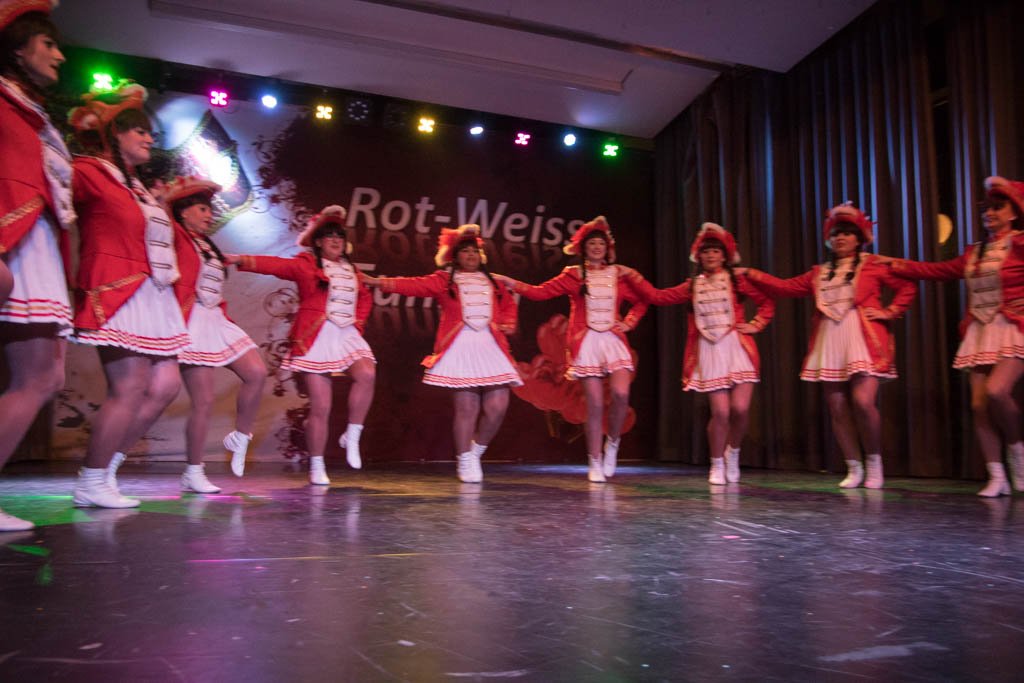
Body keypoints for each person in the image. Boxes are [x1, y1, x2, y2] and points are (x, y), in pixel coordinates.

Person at [68, 81, 190, 508]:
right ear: (114, 133)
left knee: (166, 385)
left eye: (150, 132)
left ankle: (106, 468)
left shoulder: (134, 186)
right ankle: (91, 479)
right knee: (129, 387)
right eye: (139, 130)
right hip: (119, 289)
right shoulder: (89, 171)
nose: (149, 139)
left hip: (153, 293)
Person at [740, 203, 916, 489]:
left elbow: (907, 287)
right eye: (836, 234)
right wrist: (751, 274)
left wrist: (890, 311)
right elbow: (785, 287)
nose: (841, 238)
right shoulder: (819, 273)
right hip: (829, 339)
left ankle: (874, 462)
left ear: (859, 238)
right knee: (837, 407)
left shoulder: (872, 265)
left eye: (847, 233)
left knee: (863, 402)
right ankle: (854, 466)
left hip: (862, 338)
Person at [108, 175, 265, 492]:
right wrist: (164, 200)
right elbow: (156, 224)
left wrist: (244, 260)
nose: (210, 214)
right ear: (184, 212)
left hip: (216, 320)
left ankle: (240, 436)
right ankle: (122, 463)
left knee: (257, 372)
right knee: (200, 401)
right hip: (191, 322)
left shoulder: (208, 246)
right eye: (202, 208)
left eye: (210, 209)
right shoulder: (176, 235)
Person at [887, 177, 1024, 497]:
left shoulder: (1020, 244)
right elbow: (938, 270)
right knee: (979, 405)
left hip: (1013, 327)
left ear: (1014, 212)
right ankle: (996, 475)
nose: (990, 213)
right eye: (987, 209)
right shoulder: (974, 253)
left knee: (997, 390)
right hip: (981, 330)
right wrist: (895, 265)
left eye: (997, 207)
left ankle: (1018, 452)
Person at [226, 205, 374, 485]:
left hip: (346, 336)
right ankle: (317, 465)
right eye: (329, 236)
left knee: (367, 373)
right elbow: (276, 265)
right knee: (321, 406)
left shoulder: (352, 271)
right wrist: (241, 259)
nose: (335, 241)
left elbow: (365, 297)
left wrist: (358, 324)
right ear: (318, 242)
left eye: (339, 236)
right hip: (315, 338)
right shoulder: (306, 265)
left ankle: (352, 434)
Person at [363, 224, 519, 482]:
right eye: (465, 251)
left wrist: (507, 323)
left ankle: (475, 451)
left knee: (498, 407)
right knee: (467, 407)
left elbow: (508, 304)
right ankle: (464, 459)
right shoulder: (444, 280)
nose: (471, 255)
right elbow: (412, 285)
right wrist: (377, 282)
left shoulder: (494, 281)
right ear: (455, 256)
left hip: (491, 347)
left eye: (474, 251)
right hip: (460, 346)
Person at [496, 216, 648, 483]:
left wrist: (629, 322)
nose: (597, 248)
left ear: (607, 248)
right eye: (592, 244)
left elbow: (642, 300)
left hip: (614, 342)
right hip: (586, 343)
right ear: (583, 249)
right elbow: (539, 292)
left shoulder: (620, 276)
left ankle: (612, 444)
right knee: (594, 404)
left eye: (601, 243)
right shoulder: (574, 275)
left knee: (621, 396)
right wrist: (510, 282)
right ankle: (595, 460)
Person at [0, 0, 74, 530]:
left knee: (45, 376)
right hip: (14, 240)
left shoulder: (30, 111)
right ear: (17, 49)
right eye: (48, 43)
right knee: (38, 376)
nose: (60, 55)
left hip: (36, 245)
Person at [633, 223, 774, 484]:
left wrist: (756, 324)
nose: (711, 256)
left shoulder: (736, 281)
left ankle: (733, 452)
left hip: (738, 348)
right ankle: (716, 463)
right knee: (720, 412)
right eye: (706, 251)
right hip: (709, 350)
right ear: (699, 256)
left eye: (716, 251)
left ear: (725, 256)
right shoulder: (692, 286)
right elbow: (658, 296)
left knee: (740, 409)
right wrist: (634, 277)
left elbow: (766, 302)